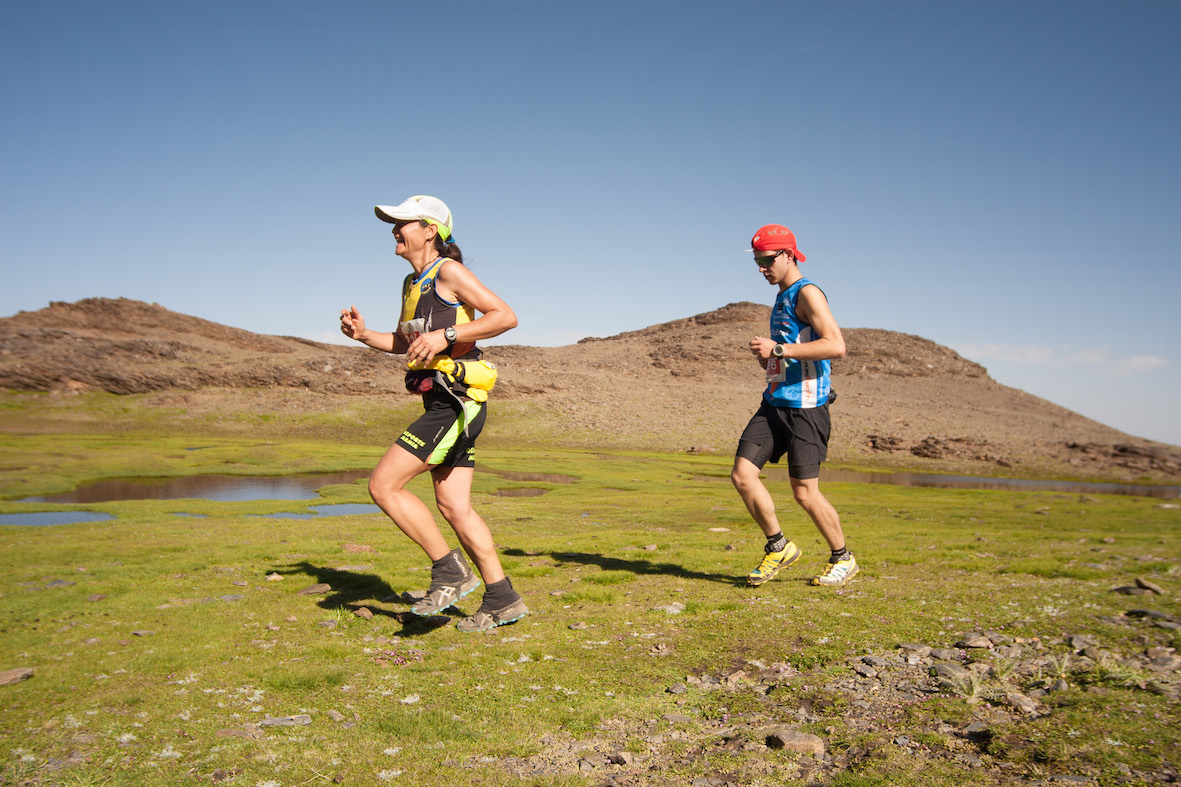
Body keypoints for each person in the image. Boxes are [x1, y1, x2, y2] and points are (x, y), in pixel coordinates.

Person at [339, 194, 527, 632]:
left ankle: (449, 571)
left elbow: (506, 316)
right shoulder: (413, 284)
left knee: (383, 485)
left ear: (430, 230)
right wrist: (364, 334)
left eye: (403, 222)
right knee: (454, 506)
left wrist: (448, 334)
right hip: (444, 401)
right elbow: (408, 344)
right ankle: (503, 599)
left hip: (455, 400)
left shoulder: (449, 271)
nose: (394, 230)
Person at [730, 224, 858, 587]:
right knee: (742, 475)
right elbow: (788, 356)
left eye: (768, 259)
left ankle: (843, 558)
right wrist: (768, 359)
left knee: (804, 492)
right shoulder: (781, 297)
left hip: (806, 407)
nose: (762, 268)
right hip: (774, 403)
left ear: (788, 254)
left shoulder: (808, 293)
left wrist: (779, 349)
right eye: (757, 261)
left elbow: (836, 346)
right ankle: (779, 546)